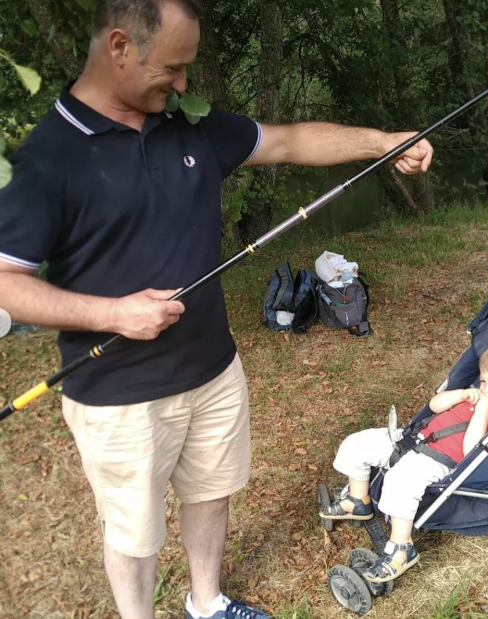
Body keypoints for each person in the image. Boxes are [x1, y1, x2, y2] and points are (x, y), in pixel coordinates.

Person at [0, 1, 434, 618]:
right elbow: (6, 281)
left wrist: (385, 144)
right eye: (172, 68)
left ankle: (207, 603)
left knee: (210, 494)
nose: (182, 83)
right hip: (117, 394)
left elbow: (286, 142)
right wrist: (112, 314)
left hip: (211, 369)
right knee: (134, 533)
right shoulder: (47, 156)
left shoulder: (188, 123)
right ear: (120, 47)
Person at [320, 339, 488, 583]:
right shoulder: (474, 396)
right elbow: (434, 405)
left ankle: (402, 547)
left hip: (438, 461)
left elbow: (471, 451)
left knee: (400, 480)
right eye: (484, 381)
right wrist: (461, 394)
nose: (487, 390)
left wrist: (483, 412)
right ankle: (359, 500)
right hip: (413, 438)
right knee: (357, 443)